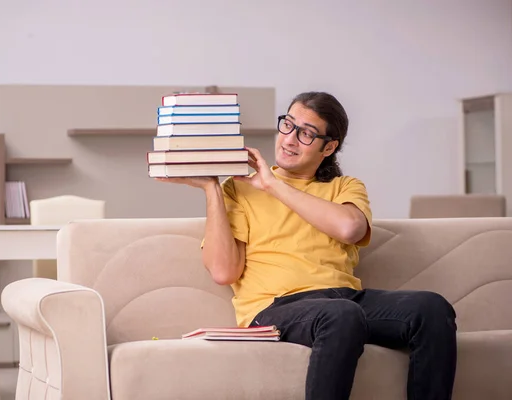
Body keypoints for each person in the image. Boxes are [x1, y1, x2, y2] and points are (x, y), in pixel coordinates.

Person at [156, 91, 457, 400]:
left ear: (329, 147)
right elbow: (223, 270)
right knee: (341, 314)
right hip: (276, 308)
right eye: (288, 125)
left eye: (306, 134)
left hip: (347, 300)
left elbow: (350, 227)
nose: (289, 139)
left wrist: (273, 185)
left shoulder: (344, 187)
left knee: (431, 308)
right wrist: (211, 187)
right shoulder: (239, 189)